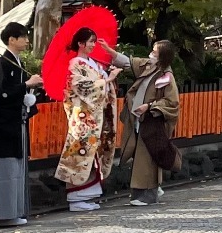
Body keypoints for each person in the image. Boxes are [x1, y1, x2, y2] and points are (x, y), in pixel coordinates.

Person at [0, 22, 37, 230]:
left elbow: (14, 92)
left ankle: (10, 212)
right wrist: (25, 87)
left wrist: (27, 98)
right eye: (23, 37)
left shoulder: (15, 63)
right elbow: (0, 94)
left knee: (13, 170)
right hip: (0, 126)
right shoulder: (1, 64)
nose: (27, 40)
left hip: (14, 124)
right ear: (11, 39)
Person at [56, 28, 121, 212]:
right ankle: (76, 197)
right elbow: (82, 87)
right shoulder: (75, 64)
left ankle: (88, 194)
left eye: (94, 41)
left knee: (93, 154)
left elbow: (101, 86)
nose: (93, 45)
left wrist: (107, 79)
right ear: (80, 43)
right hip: (84, 118)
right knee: (81, 153)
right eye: (90, 41)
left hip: (96, 117)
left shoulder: (94, 63)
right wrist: (107, 81)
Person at [122, 41, 181, 208]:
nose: (151, 54)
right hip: (142, 120)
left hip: (152, 121)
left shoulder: (166, 76)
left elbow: (171, 102)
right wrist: (108, 51)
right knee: (142, 156)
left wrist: (149, 106)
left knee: (147, 157)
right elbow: (128, 62)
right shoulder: (150, 68)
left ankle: (148, 194)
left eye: (155, 52)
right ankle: (142, 193)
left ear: (162, 56)